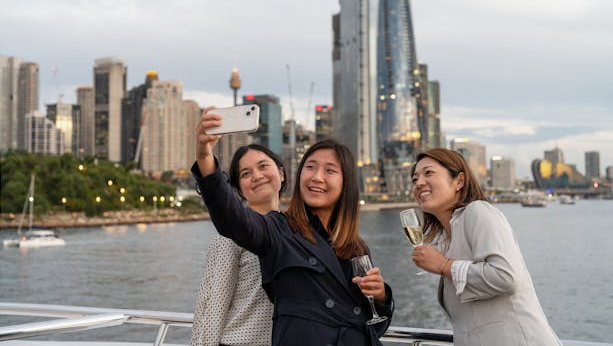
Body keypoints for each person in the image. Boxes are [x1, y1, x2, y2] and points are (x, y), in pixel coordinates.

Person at [192, 109, 394, 346]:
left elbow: (371, 322)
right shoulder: (277, 229)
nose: (317, 177)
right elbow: (231, 219)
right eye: (310, 167)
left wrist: (381, 296)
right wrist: (205, 156)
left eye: (329, 170)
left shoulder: (355, 246)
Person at [410, 148, 562, 346]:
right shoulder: (444, 239)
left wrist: (444, 266)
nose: (419, 183)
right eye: (414, 179)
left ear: (459, 181)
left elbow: (506, 276)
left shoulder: (477, 211)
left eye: (428, 173)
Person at [191, 144, 286, 346]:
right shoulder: (231, 236)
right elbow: (212, 305)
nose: (257, 175)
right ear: (239, 189)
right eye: (246, 173)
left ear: (281, 173)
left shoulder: (295, 230)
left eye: (263, 166)